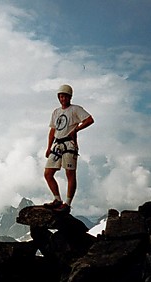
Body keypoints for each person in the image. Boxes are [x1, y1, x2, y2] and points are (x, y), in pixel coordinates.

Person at [43, 84, 94, 213]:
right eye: (61, 96)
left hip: (69, 144)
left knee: (70, 174)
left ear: (69, 97)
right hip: (57, 144)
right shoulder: (56, 112)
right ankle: (57, 200)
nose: (63, 99)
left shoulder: (76, 109)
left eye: (65, 96)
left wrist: (76, 129)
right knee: (48, 174)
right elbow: (52, 130)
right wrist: (49, 147)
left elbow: (89, 120)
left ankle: (67, 204)